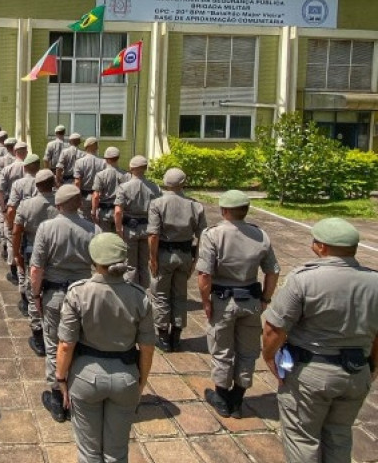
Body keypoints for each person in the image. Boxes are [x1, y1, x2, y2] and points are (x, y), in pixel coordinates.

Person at [262, 218, 378, 463]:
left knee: (303, 433)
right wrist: (371, 367)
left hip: (312, 371)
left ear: (321, 247)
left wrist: (269, 356)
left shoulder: (304, 280)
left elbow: (275, 327)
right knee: (339, 433)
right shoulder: (375, 282)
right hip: (356, 372)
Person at [56, 233, 155, 463]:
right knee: (116, 449)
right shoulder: (139, 296)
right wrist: (141, 381)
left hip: (86, 376)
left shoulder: (78, 293)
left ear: (94, 261)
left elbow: (65, 344)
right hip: (126, 376)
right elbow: (148, 347)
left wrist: (60, 380)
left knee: (89, 448)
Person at [197, 190, 280, 419]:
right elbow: (272, 271)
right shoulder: (260, 235)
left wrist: (206, 302)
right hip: (251, 300)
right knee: (247, 351)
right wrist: (265, 298)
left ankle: (222, 398)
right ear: (246, 210)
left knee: (222, 350)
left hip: (223, 300)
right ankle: (238, 398)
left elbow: (204, 275)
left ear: (224, 211)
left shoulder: (213, 235)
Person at [30, 184, 100, 423]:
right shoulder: (93, 229)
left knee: (54, 344)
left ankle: (58, 399)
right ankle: (79, 393)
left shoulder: (47, 229)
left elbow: (37, 267)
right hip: (84, 295)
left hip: (55, 295)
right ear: (79, 204)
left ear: (58, 205)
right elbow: (103, 265)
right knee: (80, 343)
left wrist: (36, 295)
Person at [146, 168, 206, 352]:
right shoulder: (195, 206)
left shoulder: (157, 204)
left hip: (164, 253)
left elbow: (153, 235)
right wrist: (196, 258)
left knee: (161, 294)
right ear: (183, 183)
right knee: (180, 294)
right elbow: (203, 235)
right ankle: (176, 334)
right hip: (185, 254)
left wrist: (152, 258)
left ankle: (163, 335)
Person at [13, 169, 58, 357]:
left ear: (37, 185)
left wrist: (16, 254)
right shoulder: (61, 203)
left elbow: (17, 231)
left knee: (34, 292)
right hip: (57, 252)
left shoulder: (26, 205)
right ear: (53, 183)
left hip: (33, 251)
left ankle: (38, 336)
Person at [114, 155, 161, 287]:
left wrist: (118, 229)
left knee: (130, 265)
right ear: (145, 168)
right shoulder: (155, 187)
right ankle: (144, 293)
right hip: (148, 228)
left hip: (130, 229)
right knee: (144, 265)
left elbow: (118, 211)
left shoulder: (124, 187)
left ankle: (131, 293)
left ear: (131, 168)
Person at [7, 154, 40, 312]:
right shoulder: (45, 182)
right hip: (43, 231)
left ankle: (25, 298)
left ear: (25, 167)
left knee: (22, 263)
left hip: (24, 229)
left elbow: (12, 208)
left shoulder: (19, 184)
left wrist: (12, 226)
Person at [0, 141, 28, 279]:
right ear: (25, 152)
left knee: (11, 237)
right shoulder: (31, 169)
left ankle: (13, 269)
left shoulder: (7, 169)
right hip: (27, 208)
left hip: (12, 207)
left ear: (15, 152)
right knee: (26, 236)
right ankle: (25, 265)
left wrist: (3, 208)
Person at [92, 147, 128, 232]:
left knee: (105, 240)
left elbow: (96, 196)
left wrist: (93, 211)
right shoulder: (126, 175)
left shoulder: (100, 175)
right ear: (118, 158)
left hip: (105, 212)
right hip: (121, 211)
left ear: (106, 159)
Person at [74, 137, 104, 221]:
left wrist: (77, 198)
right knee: (98, 221)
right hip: (99, 196)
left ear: (86, 147)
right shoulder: (103, 162)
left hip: (84, 197)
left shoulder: (79, 162)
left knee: (84, 222)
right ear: (96, 147)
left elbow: (77, 182)